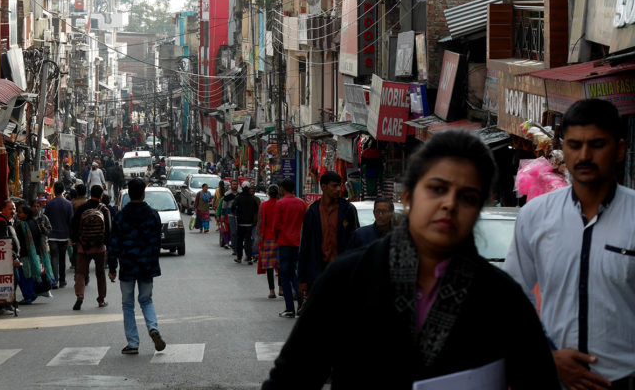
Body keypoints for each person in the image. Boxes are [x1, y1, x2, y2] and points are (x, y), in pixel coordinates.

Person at [261, 130, 560, 389]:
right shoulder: (348, 280)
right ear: (408, 196)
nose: (449, 204)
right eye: (437, 189)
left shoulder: (501, 298)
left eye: (467, 196)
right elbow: (291, 380)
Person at [505, 98, 635, 388]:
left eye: (597, 145)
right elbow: (513, 297)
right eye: (575, 145)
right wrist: (546, 355)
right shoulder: (535, 215)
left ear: (620, 150)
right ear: (563, 150)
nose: (584, 156)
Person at [107, 178, 167, 356]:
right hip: (146, 266)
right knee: (146, 300)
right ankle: (153, 328)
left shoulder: (121, 216)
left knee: (127, 304)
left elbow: (114, 244)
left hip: (127, 266)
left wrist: (112, 268)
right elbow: (157, 241)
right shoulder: (153, 215)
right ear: (143, 193)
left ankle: (133, 343)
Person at [298, 170, 359, 309]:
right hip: (317, 271)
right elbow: (305, 247)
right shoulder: (312, 212)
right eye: (334, 186)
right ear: (323, 187)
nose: (338, 189)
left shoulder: (348, 210)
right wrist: (302, 279)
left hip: (341, 271)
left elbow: (355, 243)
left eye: (339, 186)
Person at [71, 184, 112, 310]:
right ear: (101, 195)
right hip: (99, 247)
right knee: (100, 273)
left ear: (90, 193)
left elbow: (73, 225)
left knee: (81, 273)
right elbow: (109, 230)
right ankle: (101, 299)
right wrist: (107, 246)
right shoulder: (104, 209)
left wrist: (76, 241)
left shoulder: (82, 208)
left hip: (83, 247)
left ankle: (79, 296)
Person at [274, 178, 307, 317]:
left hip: (284, 243)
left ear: (282, 189)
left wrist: (277, 239)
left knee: (285, 276)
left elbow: (276, 226)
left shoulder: (280, 203)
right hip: (298, 244)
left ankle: (289, 308)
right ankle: (300, 299)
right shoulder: (302, 203)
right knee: (295, 273)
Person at [0, 200, 22, 315]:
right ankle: (3, 307)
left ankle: (8, 305)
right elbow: (4, 243)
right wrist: (14, 257)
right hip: (5, 259)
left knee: (12, 281)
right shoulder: (1, 222)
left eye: (14, 208)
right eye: (10, 208)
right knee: (11, 281)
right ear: (3, 209)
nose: (13, 211)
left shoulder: (7, 221)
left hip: (9, 259)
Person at [45, 181, 72, 289]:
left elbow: (46, 219)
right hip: (64, 235)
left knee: (54, 258)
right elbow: (71, 220)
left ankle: (55, 280)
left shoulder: (49, 204)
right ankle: (62, 280)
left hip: (52, 236)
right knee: (62, 259)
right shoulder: (68, 204)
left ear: (54, 190)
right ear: (63, 190)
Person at [257, 184, 280, 299]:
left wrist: (258, 241)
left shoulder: (264, 205)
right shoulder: (281, 205)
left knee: (270, 266)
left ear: (268, 193)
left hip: (267, 239)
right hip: (280, 239)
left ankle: (272, 291)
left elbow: (260, 223)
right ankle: (281, 288)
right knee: (280, 265)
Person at [232, 181, 259, 264]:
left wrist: (235, 214)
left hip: (240, 223)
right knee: (248, 241)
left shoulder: (238, 197)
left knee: (239, 241)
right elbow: (256, 209)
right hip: (249, 223)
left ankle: (239, 258)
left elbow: (233, 206)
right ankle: (249, 258)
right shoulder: (252, 198)